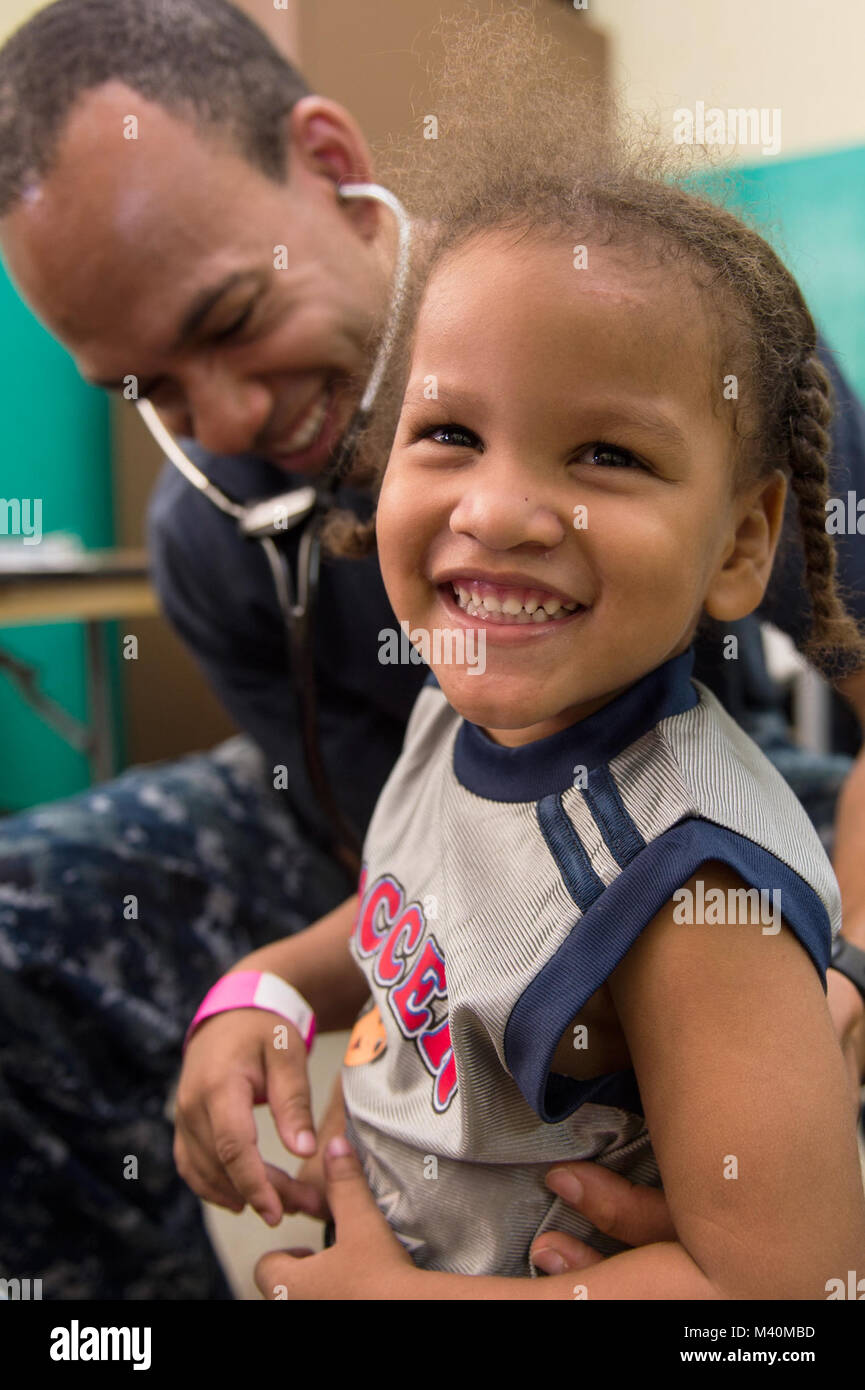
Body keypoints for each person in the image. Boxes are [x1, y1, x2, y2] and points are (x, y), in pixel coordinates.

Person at [0, 0, 862, 1300]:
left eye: (231, 318)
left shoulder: (694, 329)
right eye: (152, 388)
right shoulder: (418, 672)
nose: (223, 418)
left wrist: (840, 982)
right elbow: (433, 875)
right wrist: (264, 988)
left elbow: (789, 1297)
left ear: (331, 166)